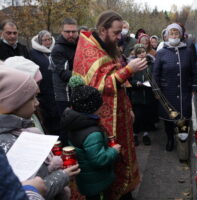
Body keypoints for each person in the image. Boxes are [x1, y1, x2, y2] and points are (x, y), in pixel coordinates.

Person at [72, 10, 148, 200]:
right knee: (107, 159)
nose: (118, 37)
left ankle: (123, 190)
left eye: (120, 32)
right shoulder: (89, 51)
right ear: (102, 29)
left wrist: (128, 107)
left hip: (118, 113)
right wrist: (129, 70)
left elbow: (118, 85)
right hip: (101, 119)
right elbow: (97, 88)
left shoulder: (108, 46)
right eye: (115, 32)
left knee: (123, 157)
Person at [0, 67, 81, 200]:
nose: (37, 103)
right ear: (14, 103)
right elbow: (25, 191)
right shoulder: (8, 143)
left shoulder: (20, 129)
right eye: (32, 98)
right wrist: (62, 176)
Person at [61, 76, 121, 200]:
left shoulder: (74, 122)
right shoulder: (92, 133)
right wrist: (114, 150)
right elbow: (99, 159)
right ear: (94, 108)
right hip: (96, 181)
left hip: (85, 178)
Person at [153, 23, 197, 151]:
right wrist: (156, 91)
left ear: (181, 35)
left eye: (176, 33)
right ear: (167, 36)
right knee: (169, 118)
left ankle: (182, 140)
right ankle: (170, 139)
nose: (174, 35)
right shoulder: (161, 53)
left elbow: (194, 71)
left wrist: (195, 87)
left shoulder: (188, 51)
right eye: (171, 33)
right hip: (167, 92)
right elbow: (155, 74)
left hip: (184, 91)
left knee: (183, 117)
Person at [50, 17, 79, 146]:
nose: (71, 34)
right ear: (61, 32)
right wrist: (87, 76)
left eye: (74, 31)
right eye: (67, 31)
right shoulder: (57, 49)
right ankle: (66, 156)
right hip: (64, 94)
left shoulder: (79, 44)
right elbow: (64, 73)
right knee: (66, 126)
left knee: (78, 124)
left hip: (77, 91)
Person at [30, 30, 60, 135]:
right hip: (44, 90)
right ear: (40, 41)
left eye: (49, 39)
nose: (48, 42)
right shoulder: (33, 53)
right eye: (45, 40)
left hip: (57, 88)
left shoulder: (56, 49)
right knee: (48, 117)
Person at [128, 44, 156, 146]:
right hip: (137, 95)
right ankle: (135, 134)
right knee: (137, 116)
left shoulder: (151, 64)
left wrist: (151, 82)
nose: (141, 54)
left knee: (146, 116)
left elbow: (154, 76)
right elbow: (129, 80)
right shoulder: (132, 65)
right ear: (136, 54)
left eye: (143, 52)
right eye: (139, 52)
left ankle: (145, 134)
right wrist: (136, 83)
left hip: (148, 94)